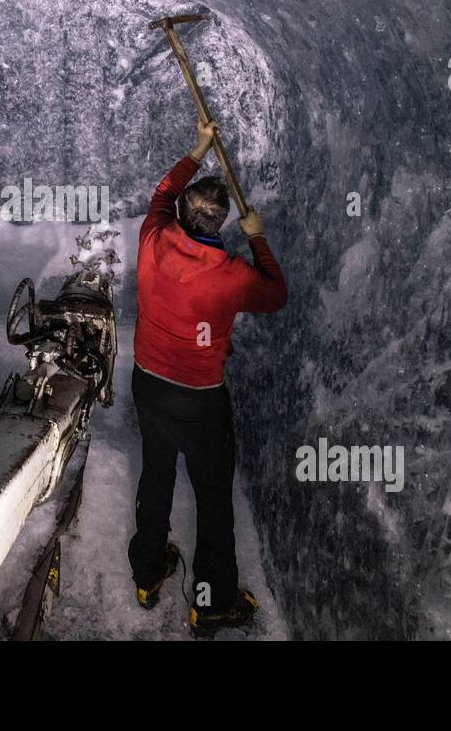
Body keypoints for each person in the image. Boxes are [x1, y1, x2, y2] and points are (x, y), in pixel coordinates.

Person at [129, 118, 288, 637]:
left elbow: (163, 191)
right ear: (220, 225)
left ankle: (147, 574)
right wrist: (258, 239)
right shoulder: (235, 277)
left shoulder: (153, 237)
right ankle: (212, 600)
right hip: (199, 401)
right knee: (213, 497)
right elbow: (276, 294)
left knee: (156, 474)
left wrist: (198, 148)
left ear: (180, 215)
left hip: (149, 384)